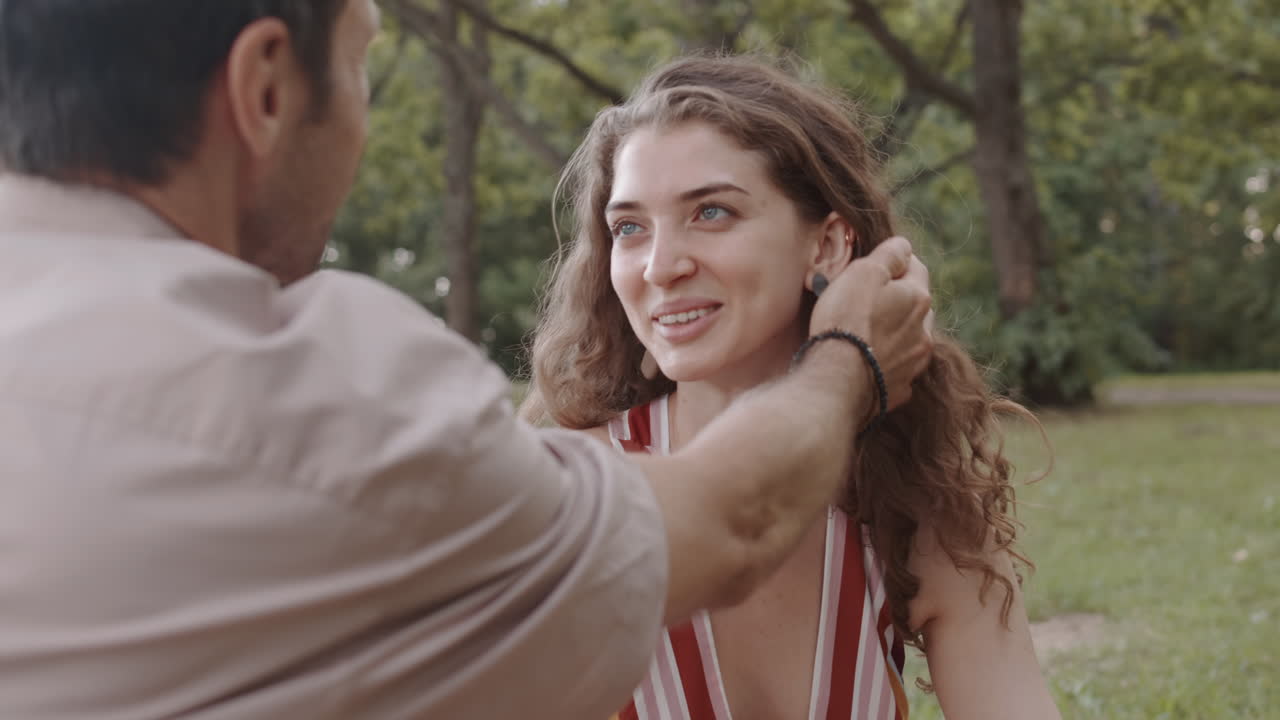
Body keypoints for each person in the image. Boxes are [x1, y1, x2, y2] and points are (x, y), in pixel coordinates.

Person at [0, 3, 934, 719]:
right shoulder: (317, 395)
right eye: (364, 62)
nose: (662, 262)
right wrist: (848, 358)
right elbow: (728, 527)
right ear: (269, 89)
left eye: (714, 210)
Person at [523, 55, 1061, 720]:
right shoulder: (573, 487)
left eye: (712, 212)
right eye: (629, 228)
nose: (661, 266)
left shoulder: (908, 496)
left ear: (828, 245)